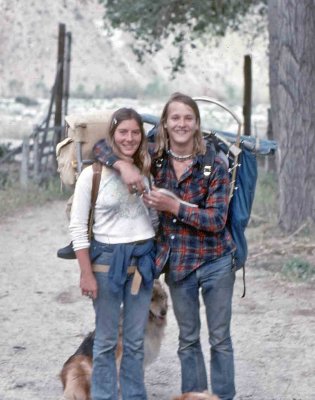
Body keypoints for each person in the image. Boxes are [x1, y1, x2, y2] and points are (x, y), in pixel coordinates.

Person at [93, 93, 236, 400]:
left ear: (197, 123)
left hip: (215, 262)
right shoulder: (154, 160)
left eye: (188, 118)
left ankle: (224, 398)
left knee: (220, 338)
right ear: (165, 124)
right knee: (187, 338)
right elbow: (101, 145)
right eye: (175, 118)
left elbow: (216, 220)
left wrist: (174, 206)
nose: (181, 124)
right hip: (180, 266)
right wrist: (123, 165)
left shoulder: (215, 163)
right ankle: (194, 397)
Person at [69, 107, 158, 400]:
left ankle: (134, 396)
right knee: (106, 340)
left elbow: (155, 221)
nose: (129, 138)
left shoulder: (149, 170)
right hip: (106, 264)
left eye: (135, 132)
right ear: (112, 135)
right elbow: (79, 228)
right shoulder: (92, 174)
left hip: (142, 264)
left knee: (134, 341)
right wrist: (85, 273)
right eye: (123, 132)